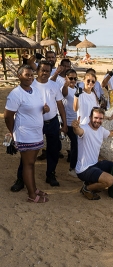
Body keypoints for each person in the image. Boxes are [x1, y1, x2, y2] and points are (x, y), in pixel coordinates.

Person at [5, 65, 49, 202]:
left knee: (31, 163)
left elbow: (35, 110)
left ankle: (34, 188)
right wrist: (12, 133)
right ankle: (31, 195)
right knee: (28, 164)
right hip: (25, 134)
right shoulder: (16, 94)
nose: (30, 77)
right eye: (27, 75)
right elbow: (8, 116)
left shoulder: (35, 91)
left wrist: (44, 110)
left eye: (31, 75)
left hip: (36, 133)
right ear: (19, 76)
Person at [72, 108, 113, 200]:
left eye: (100, 118)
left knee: (111, 166)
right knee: (110, 180)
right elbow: (78, 131)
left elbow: (112, 133)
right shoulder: (85, 129)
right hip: (84, 169)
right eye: (95, 118)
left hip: (94, 164)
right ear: (90, 118)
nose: (98, 120)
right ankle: (87, 189)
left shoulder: (101, 130)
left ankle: (90, 183)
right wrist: (75, 127)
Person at [61, 69, 79, 177]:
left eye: (75, 78)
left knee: (77, 144)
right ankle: (72, 168)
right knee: (75, 144)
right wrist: (65, 85)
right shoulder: (65, 89)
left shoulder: (77, 89)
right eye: (70, 78)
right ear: (66, 78)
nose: (73, 80)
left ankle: (75, 165)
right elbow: (64, 93)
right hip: (68, 122)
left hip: (77, 122)